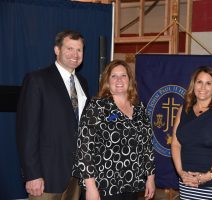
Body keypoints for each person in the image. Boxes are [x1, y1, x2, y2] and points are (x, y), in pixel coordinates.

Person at [16, 30, 89, 200]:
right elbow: (27, 131)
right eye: (69, 48)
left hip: (75, 177)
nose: (75, 54)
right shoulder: (37, 80)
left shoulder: (82, 83)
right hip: (46, 177)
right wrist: (32, 174)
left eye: (79, 50)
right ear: (57, 50)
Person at [72, 59, 155, 200]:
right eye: (114, 76)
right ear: (107, 81)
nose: (119, 80)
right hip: (103, 187)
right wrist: (91, 188)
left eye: (123, 75)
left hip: (131, 185)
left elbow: (147, 146)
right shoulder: (97, 107)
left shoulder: (140, 108)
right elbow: (84, 149)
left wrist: (151, 178)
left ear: (130, 80)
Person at [171, 67, 212, 199]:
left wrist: (207, 176)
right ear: (193, 85)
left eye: (208, 83)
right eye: (199, 82)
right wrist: (181, 172)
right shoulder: (183, 109)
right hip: (187, 184)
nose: (203, 87)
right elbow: (175, 144)